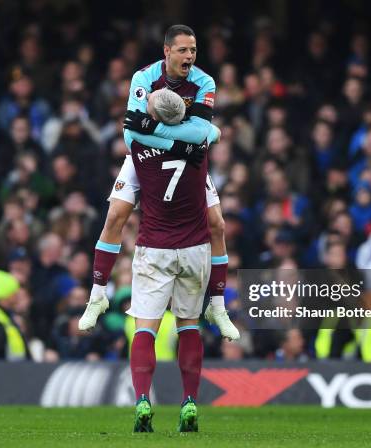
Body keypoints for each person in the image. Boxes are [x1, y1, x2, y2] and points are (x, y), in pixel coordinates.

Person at [78, 24, 238, 340]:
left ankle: (217, 305)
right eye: (183, 50)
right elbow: (130, 134)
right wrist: (184, 142)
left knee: (217, 224)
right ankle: (97, 296)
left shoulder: (204, 82)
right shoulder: (143, 78)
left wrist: (169, 134)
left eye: (193, 50)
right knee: (115, 216)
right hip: (148, 157)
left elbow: (197, 132)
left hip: (188, 160)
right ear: (167, 51)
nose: (190, 56)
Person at [121, 88, 221, 432]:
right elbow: (213, 131)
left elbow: (133, 127)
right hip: (195, 247)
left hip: (155, 247)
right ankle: (190, 401)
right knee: (189, 326)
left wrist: (151, 127)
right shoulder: (203, 142)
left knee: (145, 328)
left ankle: (142, 399)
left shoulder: (136, 142)